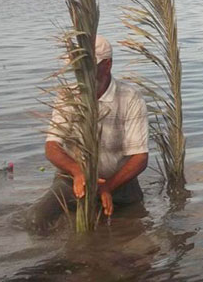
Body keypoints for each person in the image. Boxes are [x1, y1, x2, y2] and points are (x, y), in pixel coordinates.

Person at [27, 35, 148, 231]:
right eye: (78, 67)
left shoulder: (130, 98)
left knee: (133, 235)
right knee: (35, 219)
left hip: (119, 184)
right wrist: (77, 171)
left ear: (107, 65)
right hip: (72, 181)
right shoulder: (68, 96)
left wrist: (107, 187)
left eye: (89, 66)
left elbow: (140, 157)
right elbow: (52, 147)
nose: (82, 73)